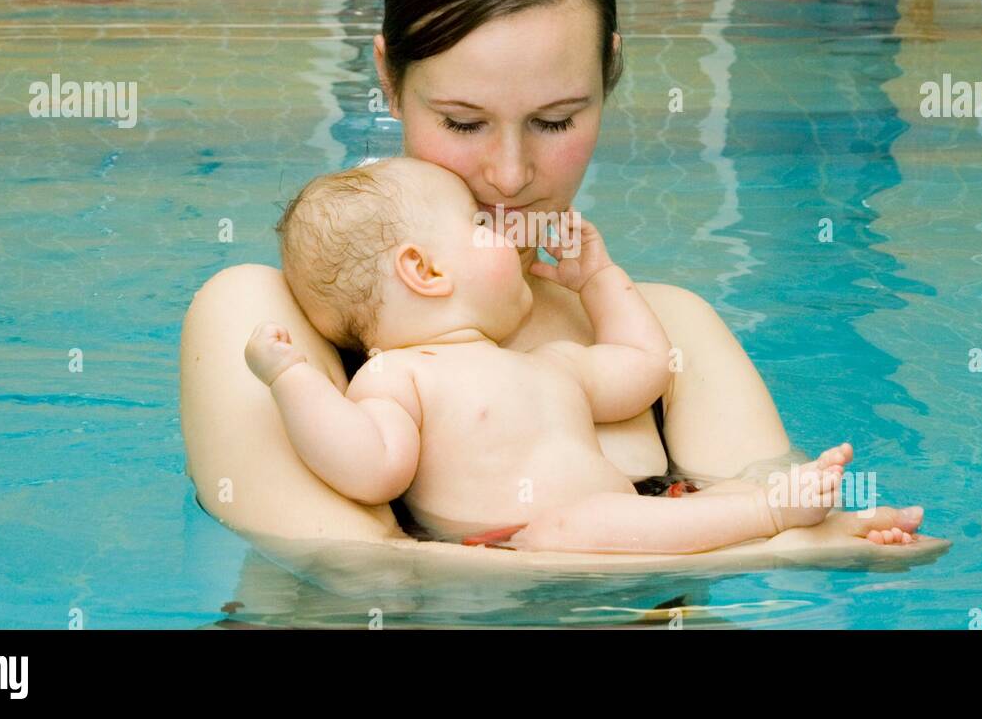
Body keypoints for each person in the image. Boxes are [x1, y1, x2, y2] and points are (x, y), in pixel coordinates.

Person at [180, 0, 934, 560]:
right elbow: (353, 568)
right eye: (462, 122)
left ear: (607, 76)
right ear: (388, 79)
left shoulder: (667, 332)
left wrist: (840, 532)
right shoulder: (273, 330)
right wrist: (766, 546)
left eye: (554, 120)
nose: (509, 174)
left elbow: (805, 514)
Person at [244, 157, 860, 553]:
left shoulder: (552, 363)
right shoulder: (398, 376)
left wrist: (599, 280)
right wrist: (292, 378)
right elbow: (370, 465)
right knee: (582, 526)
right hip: (521, 543)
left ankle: (798, 521)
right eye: (478, 226)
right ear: (425, 269)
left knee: (642, 515)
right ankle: (770, 517)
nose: (506, 234)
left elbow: (645, 366)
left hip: (619, 527)